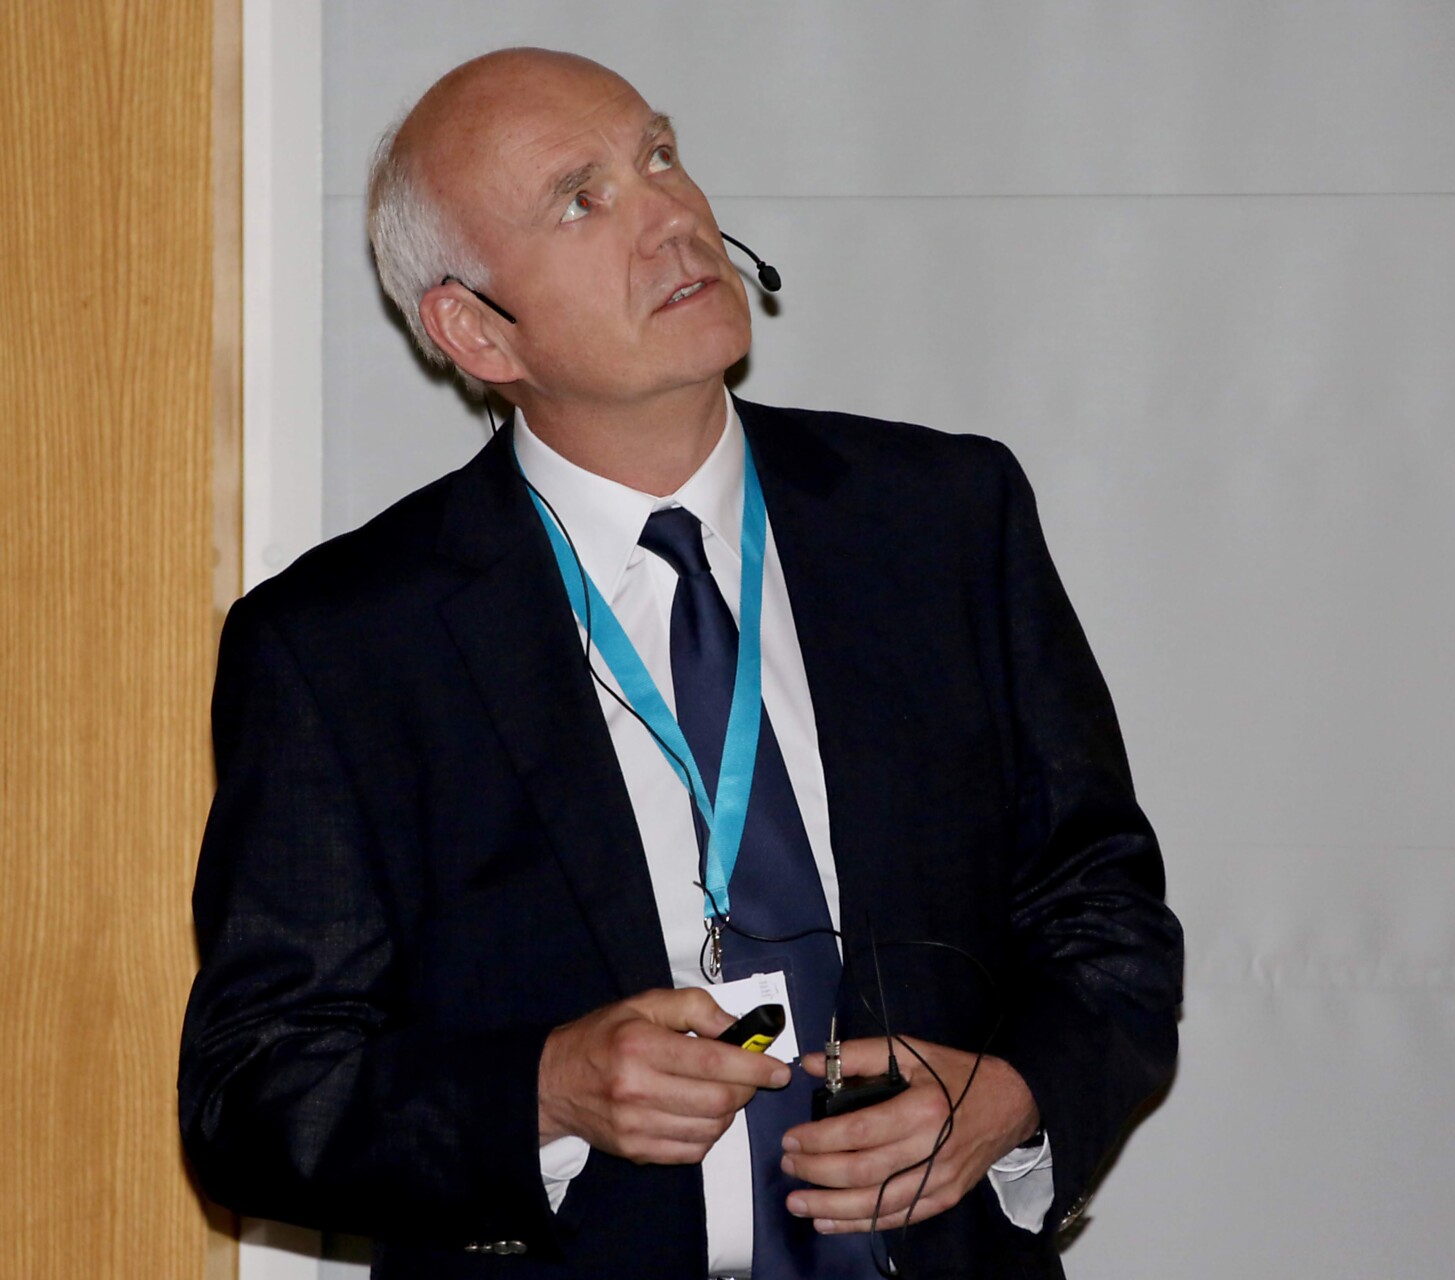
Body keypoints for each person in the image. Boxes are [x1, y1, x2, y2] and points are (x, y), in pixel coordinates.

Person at [179, 47, 1180, 1280]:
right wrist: (543, 1090)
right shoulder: (345, 643)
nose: (670, 215)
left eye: (660, 155)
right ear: (475, 329)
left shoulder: (941, 519)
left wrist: (1016, 1094)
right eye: (581, 199)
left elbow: (1104, 914)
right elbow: (256, 1091)